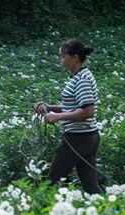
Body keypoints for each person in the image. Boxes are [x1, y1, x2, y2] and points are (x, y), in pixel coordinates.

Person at [33, 39, 102, 194]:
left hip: (77, 138)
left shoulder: (82, 79)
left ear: (75, 58)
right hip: (88, 137)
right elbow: (74, 108)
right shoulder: (80, 76)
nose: (61, 61)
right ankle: (112, 212)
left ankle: (40, 213)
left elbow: (87, 111)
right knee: (91, 187)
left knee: (50, 183)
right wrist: (50, 108)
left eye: (63, 56)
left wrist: (58, 117)